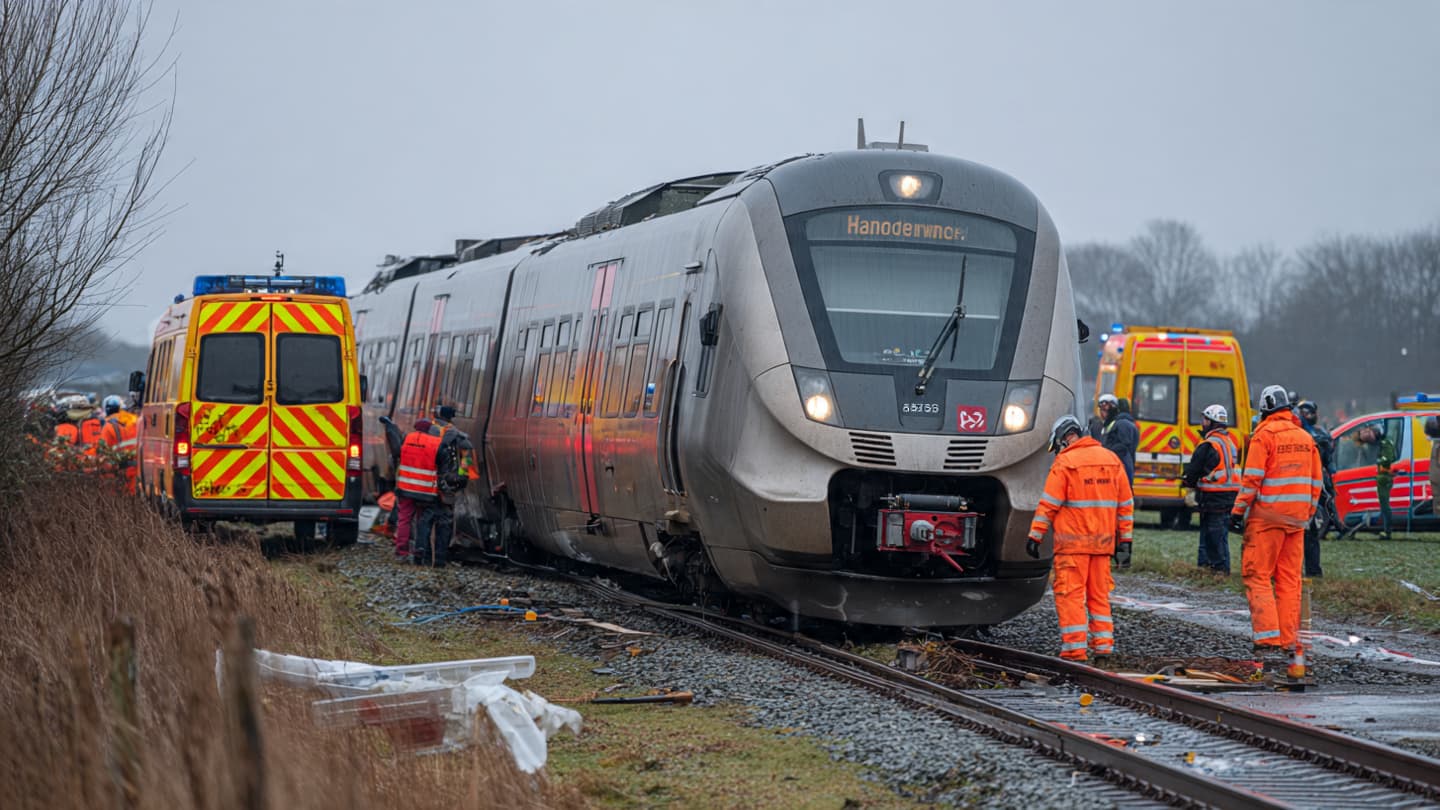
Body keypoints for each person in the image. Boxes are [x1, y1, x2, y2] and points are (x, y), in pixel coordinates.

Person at [1027, 414, 1135, 663]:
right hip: (1103, 546)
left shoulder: (1065, 463)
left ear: (1064, 440)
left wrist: (1035, 536)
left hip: (1072, 546)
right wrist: (1125, 543)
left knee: (1071, 595)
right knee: (1099, 596)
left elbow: (1049, 505)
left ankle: (1075, 650)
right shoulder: (1111, 460)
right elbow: (1125, 505)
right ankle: (1104, 647)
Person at [1230, 385, 1322, 659]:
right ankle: (1287, 640)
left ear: (1265, 408)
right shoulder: (1306, 438)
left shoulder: (1264, 436)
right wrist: (1306, 513)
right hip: (1296, 521)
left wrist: (1237, 512)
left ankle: (1267, 638)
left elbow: (1252, 479)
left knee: (1257, 575)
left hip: (1266, 519)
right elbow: (1316, 483)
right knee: (1289, 580)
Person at [1181, 404, 1240, 574]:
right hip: (1229, 497)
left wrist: (1188, 483)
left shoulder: (1208, 445)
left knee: (1212, 536)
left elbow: (1194, 470)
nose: (1202, 423)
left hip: (1214, 497)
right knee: (1221, 536)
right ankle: (1216, 568)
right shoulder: (1230, 442)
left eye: (1205, 419)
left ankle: (1216, 570)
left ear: (1212, 422)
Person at [413, 404, 475, 566]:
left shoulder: (428, 432)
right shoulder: (460, 437)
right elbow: (467, 460)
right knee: (445, 523)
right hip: (449, 485)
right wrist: (462, 478)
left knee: (424, 521)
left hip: (427, 483)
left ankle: (423, 557)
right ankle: (440, 559)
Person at [392, 418, 442, 563]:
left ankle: (402, 552)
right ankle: (420, 552)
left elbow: (398, 455)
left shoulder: (407, 439)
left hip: (406, 488)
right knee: (423, 521)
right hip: (426, 490)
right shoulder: (435, 442)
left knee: (404, 520)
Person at [1295, 401, 1335, 574]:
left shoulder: (1318, 435)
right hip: (1307, 486)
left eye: (1310, 412)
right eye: (1306, 412)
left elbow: (1328, 462)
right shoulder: (1307, 434)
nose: (1309, 416)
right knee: (1305, 532)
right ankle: (1305, 570)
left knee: (1309, 531)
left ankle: (1311, 570)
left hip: (1311, 486)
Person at [1354, 422, 1396, 540]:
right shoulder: (1378, 444)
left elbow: (1388, 459)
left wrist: (1377, 461)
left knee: (1385, 505)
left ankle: (1387, 531)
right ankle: (1383, 528)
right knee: (1382, 505)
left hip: (1384, 477)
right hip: (1381, 477)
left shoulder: (1386, 443)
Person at [98, 395, 139, 494]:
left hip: (119, 472)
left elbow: (104, 454)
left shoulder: (108, 427)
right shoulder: (136, 422)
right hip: (138, 470)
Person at [1096, 394, 1138, 485]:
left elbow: (1123, 446)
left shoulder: (1122, 424)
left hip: (1120, 470)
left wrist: (1105, 451)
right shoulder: (1128, 423)